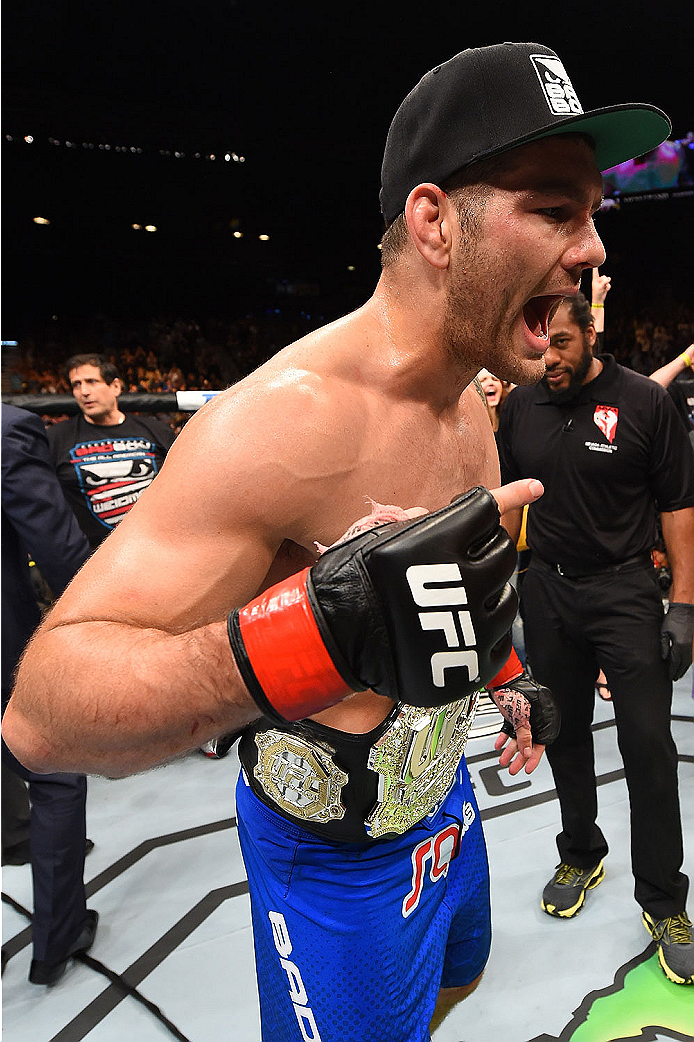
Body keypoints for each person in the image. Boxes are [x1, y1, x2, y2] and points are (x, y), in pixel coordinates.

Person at [2, 40, 672, 1038]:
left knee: (454, 989)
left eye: (591, 214)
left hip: (446, 804)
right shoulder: (280, 422)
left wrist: (505, 679)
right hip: (333, 862)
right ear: (435, 221)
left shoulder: (470, 406)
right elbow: (41, 717)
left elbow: (439, 597)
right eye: (553, 207)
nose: (592, 248)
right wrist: (307, 636)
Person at [497, 291, 694, 987]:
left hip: (625, 591)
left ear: (590, 333)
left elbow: (678, 505)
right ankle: (581, 851)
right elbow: (502, 503)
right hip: (547, 590)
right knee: (564, 732)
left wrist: (684, 607)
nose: (547, 358)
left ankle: (665, 897)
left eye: (560, 344)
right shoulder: (519, 406)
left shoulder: (643, 402)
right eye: (538, 346)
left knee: (647, 743)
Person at [1, 404, 98, 985]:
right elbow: (56, 545)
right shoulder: (7, 428)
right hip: (5, 644)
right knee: (55, 772)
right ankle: (56, 939)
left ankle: (17, 840)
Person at [47, 353, 176, 549]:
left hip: (158, 550)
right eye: (76, 384)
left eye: (91, 382)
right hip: (94, 559)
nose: (84, 392)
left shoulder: (156, 431)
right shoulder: (57, 438)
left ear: (115, 386)